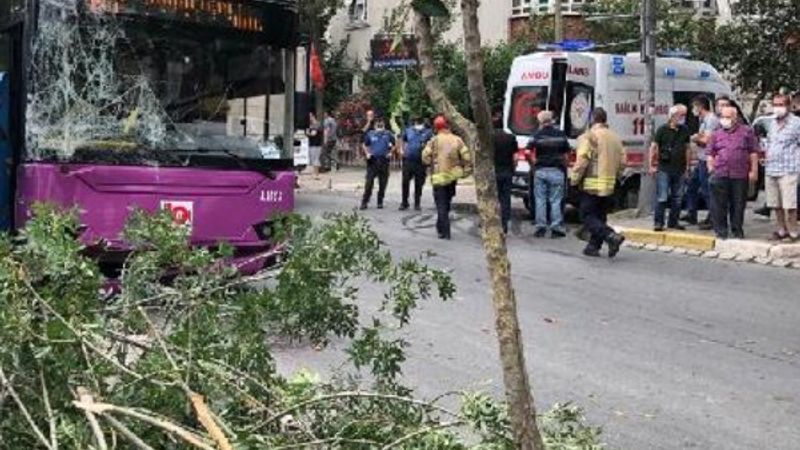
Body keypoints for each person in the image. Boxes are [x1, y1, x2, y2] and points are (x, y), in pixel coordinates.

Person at [571, 108, 626, 258]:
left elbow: (582, 161)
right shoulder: (615, 138)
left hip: (591, 184)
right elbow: (623, 162)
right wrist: (616, 177)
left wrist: (574, 179)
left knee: (587, 215)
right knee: (600, 216)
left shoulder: (589, 137)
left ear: (592, 119)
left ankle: (610, 236)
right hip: (609, 184)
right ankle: (593, 247)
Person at [707, 106, 760, 239]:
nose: (724, 120)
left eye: (728, 117)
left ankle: (737, 230)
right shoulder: (716, 134)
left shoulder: (746, 132)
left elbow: (753, 152)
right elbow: (710, 153)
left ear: (735, 118)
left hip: (740, 174)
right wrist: (711, 168)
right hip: (720, 173)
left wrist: (754, 171)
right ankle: (721, 231)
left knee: (738, 204)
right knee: (719, 204)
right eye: (722, 117)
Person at [422, 116, 472, 239]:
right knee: (447, 203)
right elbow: (467, 157)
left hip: (438, 178)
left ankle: (445, 231)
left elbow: (425, 156)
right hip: (452, 177)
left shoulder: (434, 140)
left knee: (441, 205)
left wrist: (430, 163)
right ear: (448, 126)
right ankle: (441, 227)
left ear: (436, 127)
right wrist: (466, 171)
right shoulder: (457, 140)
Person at [764, 94, 800, 241]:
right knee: (775, 203)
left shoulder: (796, 123)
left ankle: (793, 232)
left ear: (788, 106)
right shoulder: (772, 123)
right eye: (775, 104)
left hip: (788, 168)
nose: (777, 108)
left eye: (780, 104)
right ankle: (781, 230)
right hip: (771, 167)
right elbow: (769, 141)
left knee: (789, 204)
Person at [528, 110, 570, 238]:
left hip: (540, 170)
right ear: (552, 120)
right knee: (556, 200)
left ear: (540, 121)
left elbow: (528, 152)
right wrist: (564, 166)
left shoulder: (536, 135)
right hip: (557, 171)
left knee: (540, 199)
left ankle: (540, 227)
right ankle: (556, 227)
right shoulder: (561, 135)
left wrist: (533, 164)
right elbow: (566, 154)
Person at [650, 104, 691, 231]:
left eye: (684, 115)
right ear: (672, 116)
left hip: (680, 169)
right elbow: (654, 147)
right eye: (681, 115)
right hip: (664, 168)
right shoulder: (662, 130)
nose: (683, 118)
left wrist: (688, 166)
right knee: (662, 197)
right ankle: (659, 222)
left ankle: (673, 222)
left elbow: (687, 148)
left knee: (678, 198)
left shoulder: (685, 130)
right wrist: (652, 165)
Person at [684, 96, 719, 227]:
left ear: (700, 107)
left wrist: (694, 138)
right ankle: (691, 214)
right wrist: (698, 137)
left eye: (694, 107)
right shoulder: (702, 120)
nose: (693, 110)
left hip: (707, 159)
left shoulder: (711, 120)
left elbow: (707, 140)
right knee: (691, 186)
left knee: (707, 190)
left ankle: (713, 218)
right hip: (701, 158)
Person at [360, 118, 396, 210]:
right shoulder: (370, 134)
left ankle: (380, 201)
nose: (379, 124)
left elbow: (394, 144)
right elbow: (364, 144)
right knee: (369, 183)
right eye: (378, 123)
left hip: (384, 161)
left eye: (381, 122)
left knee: (383, 183)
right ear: (375, 124)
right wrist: (367, 153)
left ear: (384, 124)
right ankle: (364, 202)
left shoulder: (388, 134)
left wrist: (390, 152)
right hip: (373, 161)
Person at [399, 117, 433, 211]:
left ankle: (417, 203)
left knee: (419, 183)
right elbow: (402, 140)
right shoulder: (408, 130)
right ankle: (404, 202)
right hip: (408, 160)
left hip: (420, 161)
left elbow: (432, 144)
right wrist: (401, 149)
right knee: (405, 182)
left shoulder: (428, 132)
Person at [493, 108, 518, 234]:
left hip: (493, 172)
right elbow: (515, 157)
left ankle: (493, 222)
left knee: (493, 198)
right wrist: (514, 169)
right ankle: (504, 223)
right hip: (507, 171)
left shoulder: (488, 138)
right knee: (505, 198)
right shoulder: (510, 138)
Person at [306, 112, 323, 179]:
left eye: (310, 116)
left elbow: (314, 134)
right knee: (313, 159)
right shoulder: (310, 125)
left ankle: (316, 174)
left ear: (313, 116)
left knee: (315, 159)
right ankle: (315, 174)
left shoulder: (316, 124)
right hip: (312, 143)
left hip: (316, 144)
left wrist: (308, 133)